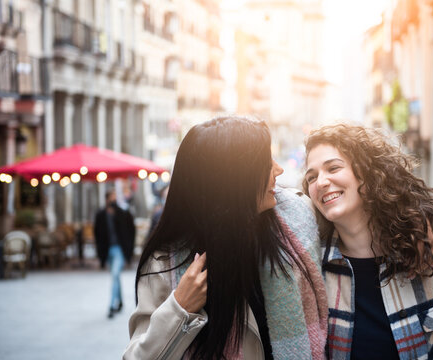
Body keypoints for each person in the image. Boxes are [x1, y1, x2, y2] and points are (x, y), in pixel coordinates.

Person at [123, 116, 328, 360]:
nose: (279, 169)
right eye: (265, 162)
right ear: (234, 179)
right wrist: (180, 310)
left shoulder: (298, 218)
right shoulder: (163, 264)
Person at [302, 123, 433, 359]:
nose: (321, 182)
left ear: (368, 173)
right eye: (312, 177)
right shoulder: (312, 266)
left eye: (334, 168)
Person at [94, 189, 135, 318]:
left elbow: (130, 231)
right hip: (108, 250)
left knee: (115, 275)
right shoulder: (101, 215)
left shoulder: (122, 213)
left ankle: (112, 305)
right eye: (111, 198)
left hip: (119, 250)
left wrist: (129, 252)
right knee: (116, 276)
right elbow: (98, 234)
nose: (114, 200)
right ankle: (121, 301)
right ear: (107, 199)